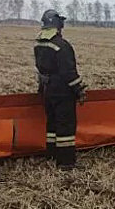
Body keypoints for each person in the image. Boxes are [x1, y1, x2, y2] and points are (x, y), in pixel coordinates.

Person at [34, 9, 87, 170]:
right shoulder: (62, 46)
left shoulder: (39, 43)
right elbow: (68, 73)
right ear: (57, 24)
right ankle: (66, 163)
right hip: (62, 92)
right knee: (66, 127)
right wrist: (79, 90)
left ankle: (51, 155)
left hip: (47, 90)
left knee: (52, 125)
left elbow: (40, 68)